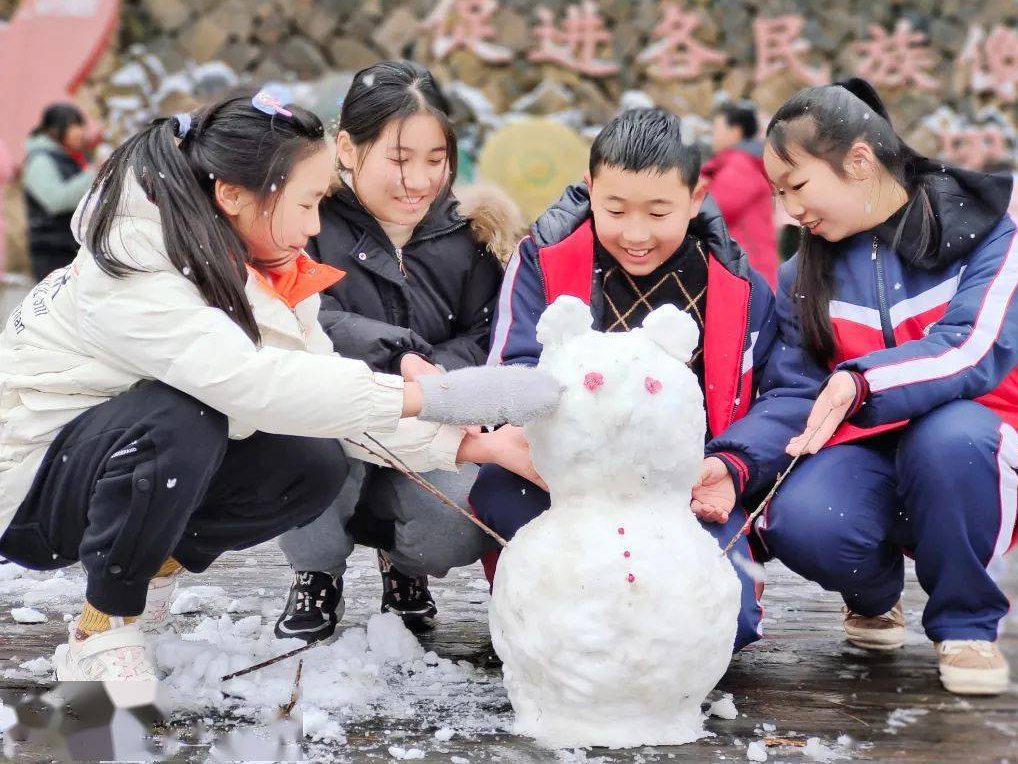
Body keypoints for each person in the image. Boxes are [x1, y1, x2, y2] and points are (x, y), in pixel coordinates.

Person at [0, 92, 536, 689]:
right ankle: (102, 627)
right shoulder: (133, 264)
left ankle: (145, 563)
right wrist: (429, 398)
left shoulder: (258, 261)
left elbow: (322, 396)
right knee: (186, 413)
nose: (314, 225)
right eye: (307, 204)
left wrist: (471, 447)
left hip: (105, 469)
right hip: (33, 488)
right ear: (232, 195)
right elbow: (251, 383)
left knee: (307, 460)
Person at [706, 78, 1018, 695]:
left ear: (859, 159)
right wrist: (734, 464)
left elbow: (974, 350)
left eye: (797, 186)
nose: (788, 209)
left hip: (985, 446)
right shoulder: (805, 272)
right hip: (869, 453)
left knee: (947, 436)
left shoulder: (988, 233)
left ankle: (965, 624)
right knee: (800, 516)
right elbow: (796, 393)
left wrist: (860, 382)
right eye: (778, 193)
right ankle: (874, 595)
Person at [472, 108, 778, 653]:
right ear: (590, 190)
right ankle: (552, 625)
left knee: (727, 622)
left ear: (695, 197)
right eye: (615, 209)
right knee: (508, 509)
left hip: (680, 488)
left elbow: (773, 400)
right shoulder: (544, 258)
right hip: (562, 479)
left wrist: (728, 465)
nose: (636, 235)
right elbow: (512, 370)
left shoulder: (736, 282)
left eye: (659, 212)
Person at [274, 62, 515, 641]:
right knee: (303, 457)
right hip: (329, 415)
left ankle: (402, 563)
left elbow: (489, 334)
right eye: (400, 160)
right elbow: (300, 315)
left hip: (429, 420)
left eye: (436, 161)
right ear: (349, 149)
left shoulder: (470, 235)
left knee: (457, 524)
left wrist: (433, 377)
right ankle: (316, 569)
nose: (419, 181)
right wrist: (399, 353)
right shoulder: (310, 219)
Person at [700, 100, 778, 287]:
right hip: (748, 267)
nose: (713, 136)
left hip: (746, 269)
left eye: (716, 129)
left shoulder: (739, 166)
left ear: (735, 131)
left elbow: (711, 209)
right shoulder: (739, 163)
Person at [21, 103, 99, 280]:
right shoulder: (40, 160)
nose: (80, 132)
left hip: (76, 248)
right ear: (54, 130)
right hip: (52, 254)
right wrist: (94, 174)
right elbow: (55, 200)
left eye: (81, 125)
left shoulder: (76, 156)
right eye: (73, 126)